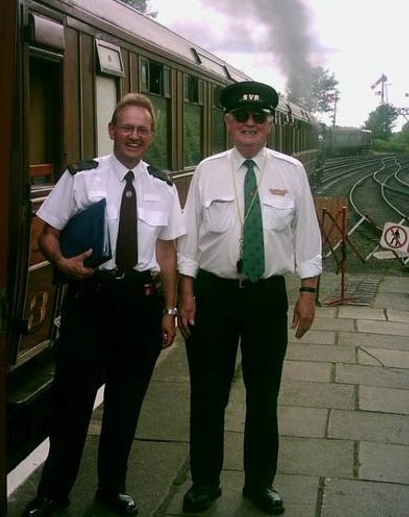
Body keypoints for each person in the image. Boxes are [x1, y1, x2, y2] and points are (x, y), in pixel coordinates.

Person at [23, 94, 185, 517]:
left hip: (141, 305)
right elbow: (47, 231)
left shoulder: (163, 186)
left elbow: (167, 252)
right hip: (90, 300)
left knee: (125, 406)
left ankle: (112, 488)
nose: (134, 135)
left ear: (150, 137)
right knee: (71, 405)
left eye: (142, 130)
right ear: (112, 130)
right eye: (126, 127)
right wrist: (61, 262)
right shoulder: (82, 177)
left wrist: (169, 311)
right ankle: (52, 494)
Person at [177, 81, 322, 515]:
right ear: (227, 122)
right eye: (241, 116)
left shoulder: (291, 171)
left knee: (264, 395)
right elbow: (189, 237)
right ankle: (204, 483)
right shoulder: (207, 171)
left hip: (266, 299)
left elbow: (307, 237)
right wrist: (186, 293)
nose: (249, 124)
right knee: (207, 394)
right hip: (213, 295)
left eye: (259, 117)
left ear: (270, 124)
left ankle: (260, 484)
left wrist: (309, 293)